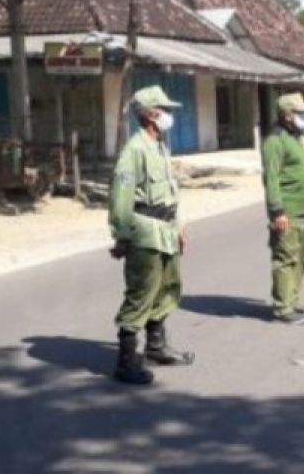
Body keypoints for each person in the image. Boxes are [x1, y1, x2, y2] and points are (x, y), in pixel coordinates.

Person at [109, 85, 194, 386]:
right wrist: (121, 235)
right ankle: (126, 361)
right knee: (141, 292)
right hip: (144, 231)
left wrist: (180, 226)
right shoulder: (134, 150)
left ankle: (156, 346)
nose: (169, 115)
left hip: (166, 229)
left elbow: (170, 193)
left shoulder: (159, 145)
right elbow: (122, 195)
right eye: (164, 110)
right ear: (150, 115)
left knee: (167, 287)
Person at [262, 93, 304, 325]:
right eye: (300, 113)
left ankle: (293, 301)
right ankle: (282, 308)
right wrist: (277, 211)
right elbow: (271, 179)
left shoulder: (296, 136)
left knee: (301, 257)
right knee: (286, 257)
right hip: (289, 210)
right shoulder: (274, 140)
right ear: (287, 115)